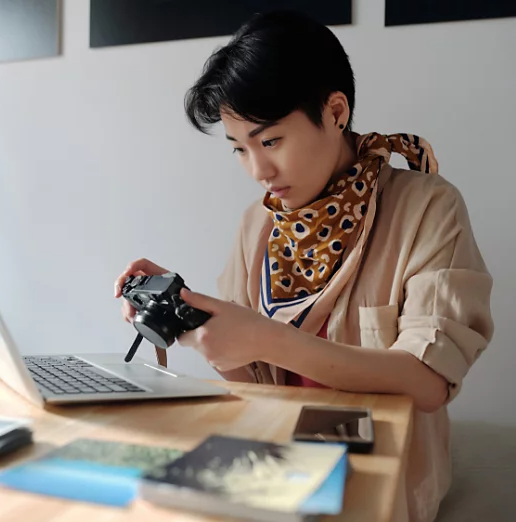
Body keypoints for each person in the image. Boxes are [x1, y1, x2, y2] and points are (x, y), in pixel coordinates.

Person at [113, 10, 492, 522]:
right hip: (266, 462)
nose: (257, 170)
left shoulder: (428, 207)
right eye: (239, 150)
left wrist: (266, 338)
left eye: (270, 141)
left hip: (374, 479)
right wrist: (196, 323)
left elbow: (427, 381)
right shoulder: (258, 224)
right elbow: (249, 378)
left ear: (336, 112)